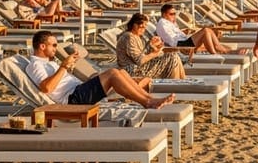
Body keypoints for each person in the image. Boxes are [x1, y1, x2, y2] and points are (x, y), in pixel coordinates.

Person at [25, 30, 173, 108]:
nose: (56, 48)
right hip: (72, 99)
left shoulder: (48, 62)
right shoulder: (35, 64)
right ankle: (146, 102)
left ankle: (150, 99)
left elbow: (58, 80)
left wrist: (66, 67)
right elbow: (46, 88)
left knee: (120, 72)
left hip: (78, 90)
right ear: (42, 46)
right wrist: (63, 66)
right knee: (112, 73)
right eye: (54, 45)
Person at [117, 13, 186, 79]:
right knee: (171, 57)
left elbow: (143, 54)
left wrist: (153, 46)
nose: (143, 29)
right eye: (142, 27)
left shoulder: (136, 36)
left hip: (139, 67)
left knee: (173, 55)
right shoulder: (129, 37)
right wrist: (155, 53)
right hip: (132, 70)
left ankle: (182, 82)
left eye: (145, 27)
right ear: (135, 25)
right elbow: (140, 60)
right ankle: (175, 86)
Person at [155, 3, 234, 55]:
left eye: (175, 14)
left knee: (208, 31)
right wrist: (180, 46)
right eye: (171, 14)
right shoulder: (162, 23)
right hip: (182, 46)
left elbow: (174, 35)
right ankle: (215, 53)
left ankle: (220, 49)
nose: (174, 16)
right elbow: (171, 40)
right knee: (206, 30)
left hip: (184, 42)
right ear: (164, 14)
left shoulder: (169, 23)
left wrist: (185, 32)